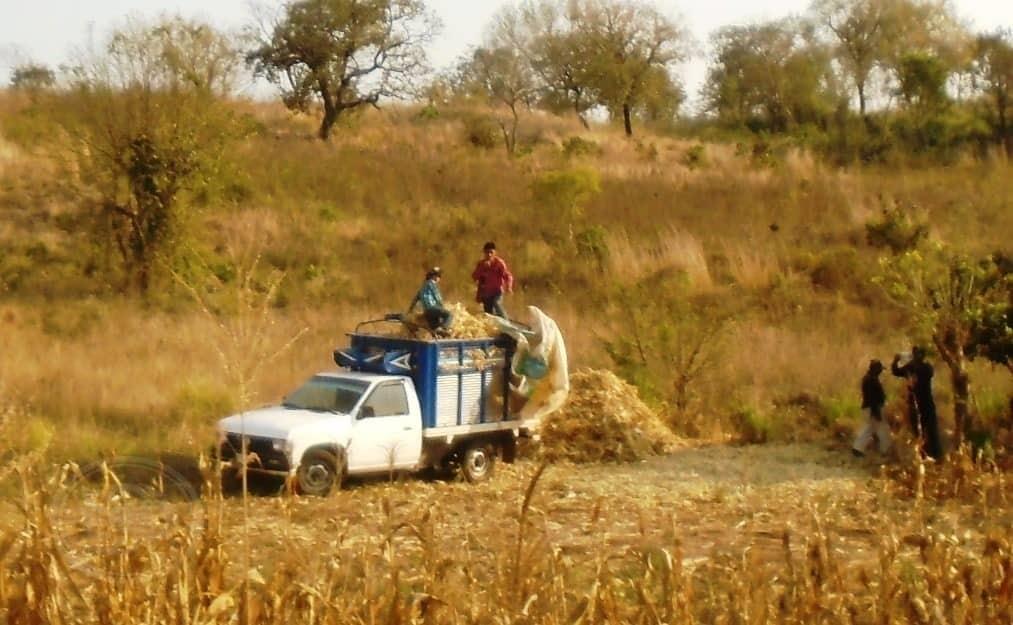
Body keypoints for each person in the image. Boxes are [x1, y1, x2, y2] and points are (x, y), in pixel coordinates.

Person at [891, 346, 943, 460]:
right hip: (916, 403)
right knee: (918, 430)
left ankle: (935, 455)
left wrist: (901, 363)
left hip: (926, 403)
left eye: (917, 354)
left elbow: (926, 373)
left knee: (930, 430)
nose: (916, 356)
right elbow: (896, 371)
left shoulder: (925, 367)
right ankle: (924, 454)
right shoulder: (913, 366)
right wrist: (896, 361)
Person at [852, 360, 890, 457]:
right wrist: (876, 412)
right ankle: (884, 450)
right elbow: (872, 398)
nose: (881, 371)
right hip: (872, 408)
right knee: (880, 429)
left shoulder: (869, 378)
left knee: (870, 428)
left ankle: (858, 448)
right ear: (875, 369)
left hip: (870, 408)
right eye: (880, 369)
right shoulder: (871, 380)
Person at [471, 241, 513, 318]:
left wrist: (509, 287)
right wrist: (482, 268)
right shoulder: (481, 264)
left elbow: (508, 275)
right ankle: (496, 327)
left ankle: (505, 320)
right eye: (487, 252)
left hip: (497, 292)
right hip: (486, 294)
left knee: (496, 303)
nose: (489, 255)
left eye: (491, 252)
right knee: (489, 314)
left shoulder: (499, 263)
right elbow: (474, 277)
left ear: (495, 253)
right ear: (484, 253)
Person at [408, 267, 452, 334]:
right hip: (432, 308)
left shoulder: (422, 287)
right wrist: (442, 307)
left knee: (435, 329)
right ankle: (444, 329)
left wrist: (409, 311)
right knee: (449, 315)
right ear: (434, 276)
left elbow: (414, 301)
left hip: (427, 313)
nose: (440, 278)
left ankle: (439, 332)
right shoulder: (432, 284)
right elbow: (438, 297)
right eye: (439, 276)